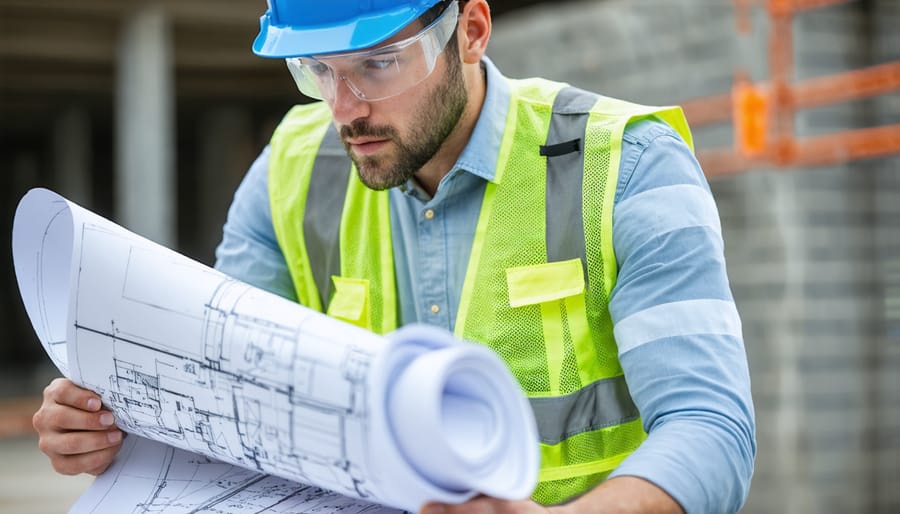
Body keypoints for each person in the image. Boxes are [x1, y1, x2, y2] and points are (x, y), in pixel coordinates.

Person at [32, 0, 756, 512]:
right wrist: (125, 424)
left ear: (470, 30)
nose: (345, 107)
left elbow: (711, 428)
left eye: (379, 63)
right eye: (317, 70)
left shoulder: (623, 164)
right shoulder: (290, 170)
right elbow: (228, 398)